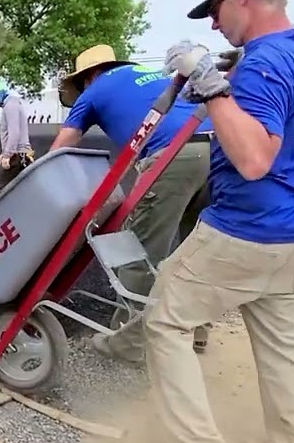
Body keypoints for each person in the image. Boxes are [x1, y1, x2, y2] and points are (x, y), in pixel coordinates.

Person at [140, 0, 294, 443]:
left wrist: (210, 82)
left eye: (215, 7)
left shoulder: (261, 64)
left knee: (165, 318)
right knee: (284, 344)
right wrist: (229, 79)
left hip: (247, 230)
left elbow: (254, 160)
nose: (212, 22)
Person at [50, 44, 214, 359]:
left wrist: (30, 184)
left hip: (172, 157)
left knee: (140, 253)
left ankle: (129, 344)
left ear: (90, 75)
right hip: (214, 148)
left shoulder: (94, 90)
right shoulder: (148, 76)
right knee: (193, 250)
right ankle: (197, 332)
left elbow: (62, 147)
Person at [0, 78, 34, 190]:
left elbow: (14, 132)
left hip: (18, 155)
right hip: (20, 154)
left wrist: (7, 155)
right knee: (21, 188)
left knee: (2, 189)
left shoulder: (10, 106)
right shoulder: (11, 105)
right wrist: (4, 153)